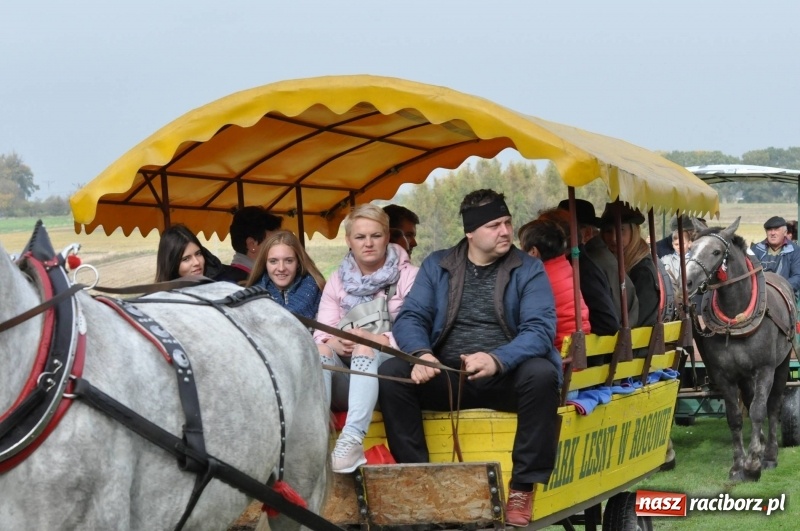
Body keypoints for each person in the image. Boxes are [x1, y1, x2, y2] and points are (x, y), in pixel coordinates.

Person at [378, 189, 560, 528]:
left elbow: (540, 329)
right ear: (470, 232)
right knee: (393, 372)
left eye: (507, 222)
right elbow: (410, 317)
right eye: (494, 225)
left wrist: (497, 359)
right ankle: (419, 481)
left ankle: (522, 487)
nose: (505, 231)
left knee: (542, 374)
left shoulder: (529, 268)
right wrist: (422, 355)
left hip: (508, 376)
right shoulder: (438, 265)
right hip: (448, 376)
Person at [313, 204, 418, 474]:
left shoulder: (409, 276)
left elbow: (421, 327)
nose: (368, 243)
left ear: (387, 236)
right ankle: (315, 442)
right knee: (320, 352)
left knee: (364, 349)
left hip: (391, 375)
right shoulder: (336, 280)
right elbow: (322, 330)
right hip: (346, 374)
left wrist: (380, 340)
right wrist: (334, 342)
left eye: (375, 236)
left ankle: (352, 441)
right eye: (360, 237)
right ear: (349, 241)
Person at [559, 199, 640, 330]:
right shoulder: (603, 257)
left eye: (564, 230)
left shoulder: (588, 263)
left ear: (586, 233)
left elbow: (606, 321)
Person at [518, 219, 591, 352]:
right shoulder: (566, 268)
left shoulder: (540, 279)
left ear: (533, 252)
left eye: (522, 248)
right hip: (578, 351)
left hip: (560, 356)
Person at [599, 203, 659, 327]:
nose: (614, 238)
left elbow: (640, 321)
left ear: (634, 231)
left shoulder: (642, 271)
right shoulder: (608, 264)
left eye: (621, 230)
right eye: (608, 231)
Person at [246, 230, 325, 320]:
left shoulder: (320, 291)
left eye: (289, 261)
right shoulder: (251, 297)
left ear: (298, 262)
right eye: (273, 261)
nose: (281, 268)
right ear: (265, 264)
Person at [216, 206, 283, 284]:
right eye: (274, 242)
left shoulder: (229, 278)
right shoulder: (245, 284)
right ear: (252, 245)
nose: (281, 248)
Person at [750, 216, 800, 298]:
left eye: (776, 229)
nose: (772, 233)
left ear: (785, 232)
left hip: (784, 294)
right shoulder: (756, 249)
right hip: (759, 294)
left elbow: (797, 276)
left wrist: (780, 288)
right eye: (769, 230)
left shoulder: (795, 251)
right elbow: (749, 273)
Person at [660, 229, 692, 301]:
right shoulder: (665, 260)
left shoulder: (694, 259)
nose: (679, 247)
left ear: (689, 244)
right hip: (671, 297)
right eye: (676, 244)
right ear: (672, 245)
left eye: (682, 244)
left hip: (691, 296)